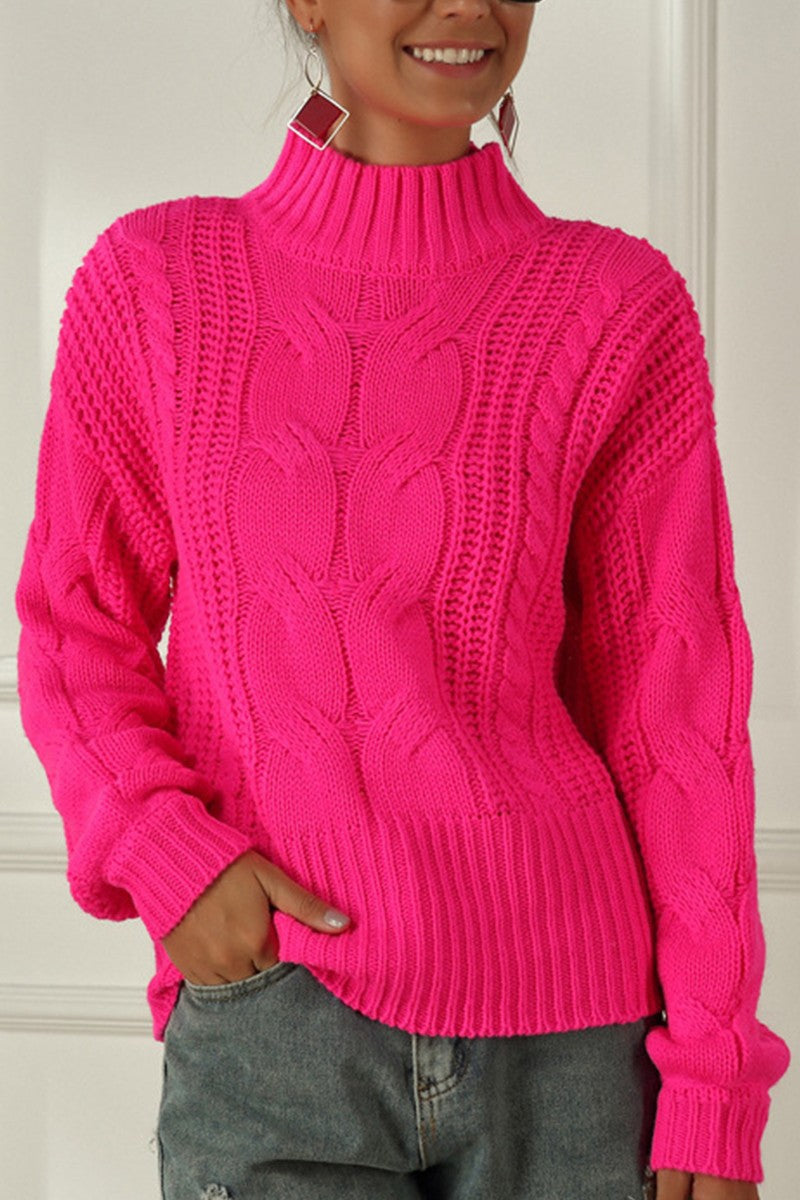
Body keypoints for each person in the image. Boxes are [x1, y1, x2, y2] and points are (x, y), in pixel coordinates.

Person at [14, 1, 790, 1197]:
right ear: (308, 2)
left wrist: (714, 1075)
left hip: (573, 1046)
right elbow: (77, 627)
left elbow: (674, 706)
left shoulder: (612, 305)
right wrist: (165, 853)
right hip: (275, 1017)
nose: (465, 5)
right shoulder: (156, 283)